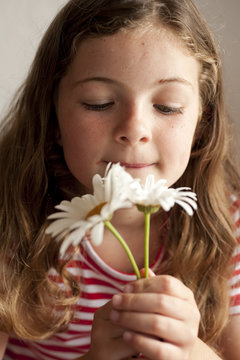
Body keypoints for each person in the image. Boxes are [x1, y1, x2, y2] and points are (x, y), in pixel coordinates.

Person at [0, 0, 240, 359]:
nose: (134, 129)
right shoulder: (10, 223)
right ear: (52, 116)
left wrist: (191, 352)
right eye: (99, 103)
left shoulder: (226, 222)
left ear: (200, 125)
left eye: (168, 106)